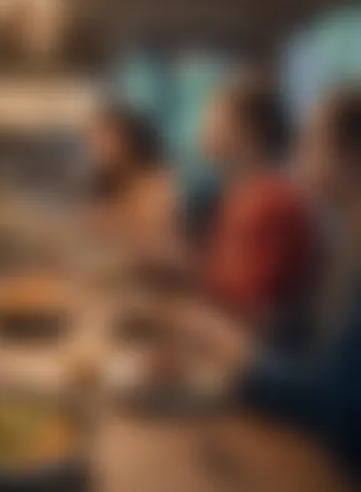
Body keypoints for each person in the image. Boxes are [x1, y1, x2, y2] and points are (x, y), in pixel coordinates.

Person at [190, 86, 361, 477]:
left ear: (350, 158)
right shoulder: (347, 237)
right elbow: (302, 333)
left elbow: (339, 401)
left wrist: (243, 358)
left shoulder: (274, 201)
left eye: (310, 141)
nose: (297, 154)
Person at [199, 74, 318, 346]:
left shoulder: (271, 202)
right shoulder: (242, 193)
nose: (203, 129)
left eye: (215, 119)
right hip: (228, 341)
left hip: (249, 354)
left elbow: (251, 312)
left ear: (248, 131)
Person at [85, 103, 176, 260]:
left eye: (104, 139)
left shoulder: (155, 184)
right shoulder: (105, 179)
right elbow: (91, 230)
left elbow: (148, 247)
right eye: (94, 139)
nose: (95, 148)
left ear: (128, 142)